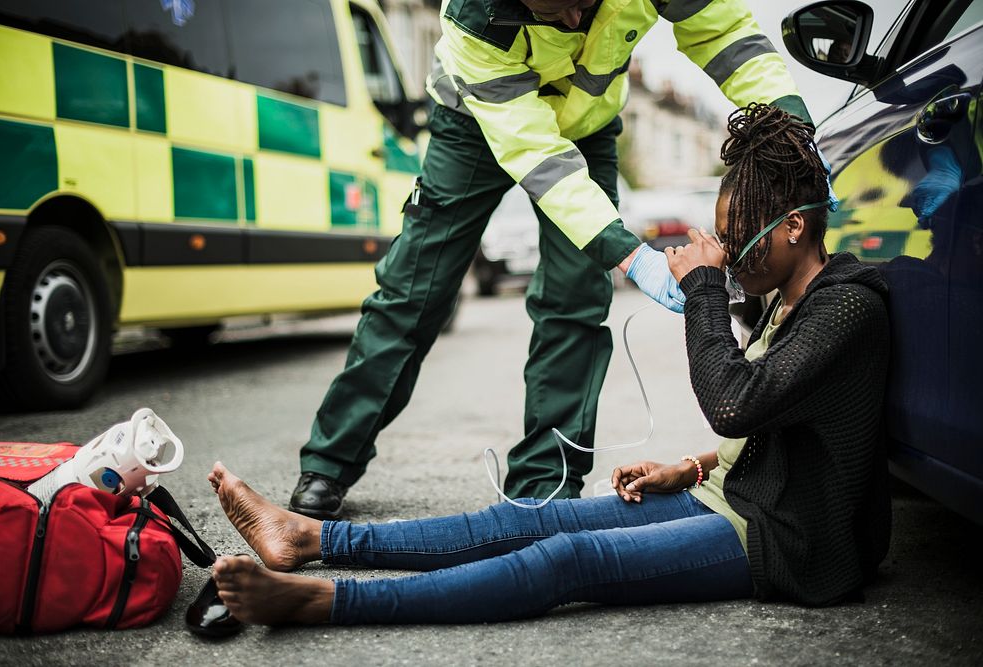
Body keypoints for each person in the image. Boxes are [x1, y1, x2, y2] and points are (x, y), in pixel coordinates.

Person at [211, 105, 891, 625]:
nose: (733, 252)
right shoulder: (790, 299)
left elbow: (737, 402)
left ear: (795, 228)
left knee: (569, 559)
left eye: (742, 239)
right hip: (726, 496)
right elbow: (776, 413)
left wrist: (705, 288)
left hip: (776, 540)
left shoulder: (847, 308)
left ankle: (323, 600)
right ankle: (312, 535)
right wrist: (690, 467)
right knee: (533, 517)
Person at [289, 0, 821, 517]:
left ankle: (543, 488)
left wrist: (797, 141)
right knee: (412, 293)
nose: (573, 21)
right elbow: (540, 159)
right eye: (551, 11)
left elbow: (725, 35)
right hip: (474, 122)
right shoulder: (472, 18)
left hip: (589, 127)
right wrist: (632, 256)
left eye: (582, 3)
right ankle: (330, 462)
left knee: (574, 302)